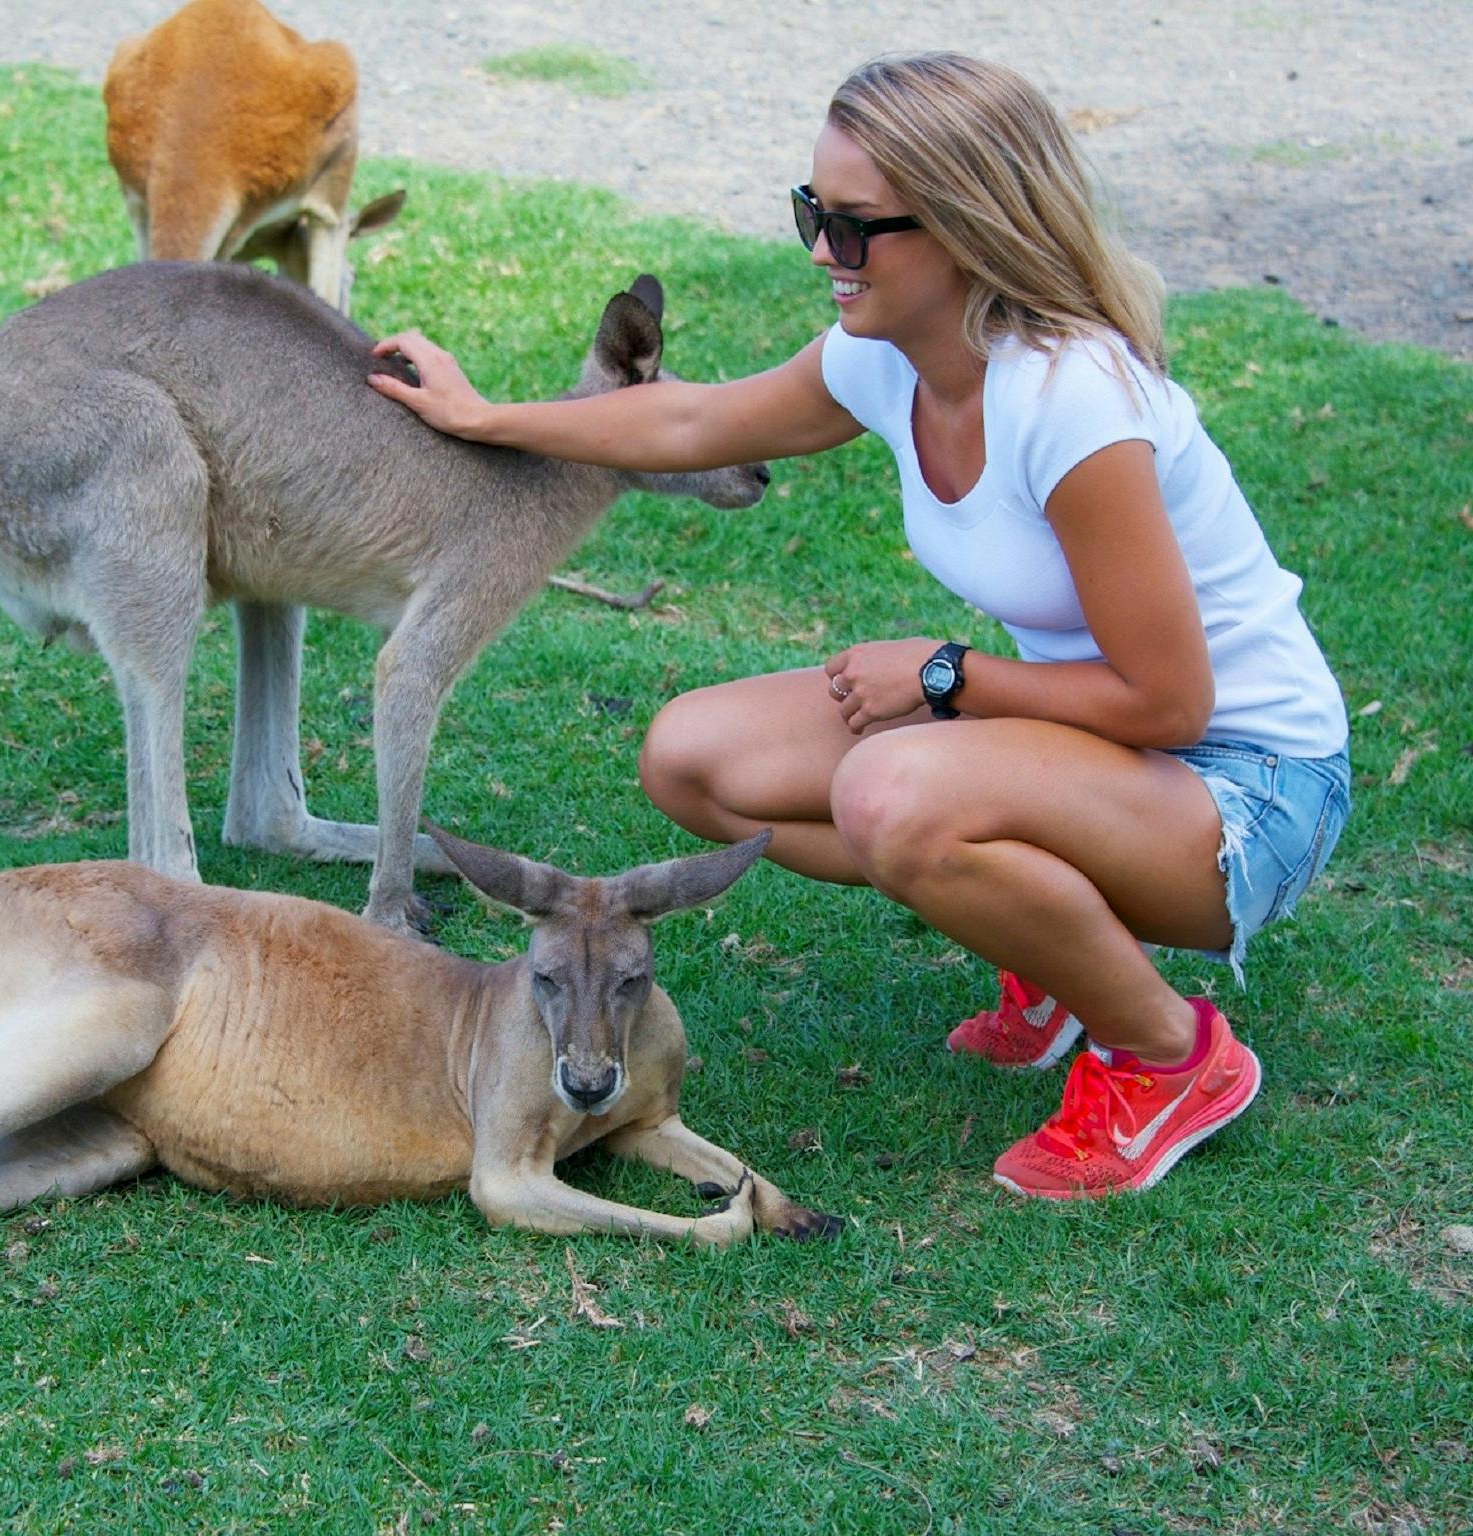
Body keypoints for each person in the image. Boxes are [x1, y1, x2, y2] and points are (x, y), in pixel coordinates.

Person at [365, 51, 1350, 1199]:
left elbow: (1171, 704)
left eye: (855, 229)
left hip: (1243, 792)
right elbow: (689, 422)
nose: (823, 254)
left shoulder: (1072, 402)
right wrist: (485, 414)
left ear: (965, 227)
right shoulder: (885, 355)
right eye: (810, 214)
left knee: (891, 796)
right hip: (1103, 757)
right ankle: (1045, 948)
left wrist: (943, 676)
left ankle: (1168, 1057)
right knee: (695, 761)